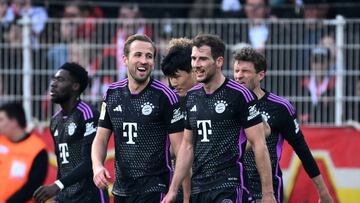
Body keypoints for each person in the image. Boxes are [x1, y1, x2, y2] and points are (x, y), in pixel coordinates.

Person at [162, 34, 276, 203]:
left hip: (228, 186)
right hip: (199, 187)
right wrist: (173, 190)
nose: (196, 65)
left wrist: (268, 194)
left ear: (219, 61)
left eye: (202, 59)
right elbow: (187, 146)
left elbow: (260, 143)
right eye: (194, 59)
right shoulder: (192, 97)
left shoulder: (239, 94)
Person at [232, 47, 334, 203]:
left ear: (260, 75)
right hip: (231, 188)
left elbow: (302, 149)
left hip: (265, 192)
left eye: (245, 71)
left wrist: (323, 191)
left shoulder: (279, 107)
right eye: (236, 70)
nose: (239, 76)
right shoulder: (227, 105)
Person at [91, 34, 184, 202]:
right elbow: (101, 139)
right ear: (125, 59)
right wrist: (97, 166)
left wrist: (175, 190)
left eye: (149, 56)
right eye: (138, 55)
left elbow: (181, 149)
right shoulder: (112, 93)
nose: (144, 60)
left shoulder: (165, 96)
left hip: (155, 189)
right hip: (121, 190)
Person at [33, 62, 109, 203]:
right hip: (66, 196)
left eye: (60, 80)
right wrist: (59, 190)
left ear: (75, 86)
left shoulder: (88, 114)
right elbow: (63, 166)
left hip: (90, 196)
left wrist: (57, 185)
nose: (53, 84)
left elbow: (90, 162)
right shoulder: (55, 121)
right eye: (54, 79)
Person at [161, 37, 195, 203]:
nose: (172, 83)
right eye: (169, 76)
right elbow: (180, 148)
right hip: (179, 180)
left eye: (176, 75)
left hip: (216, 181)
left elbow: (262, 129)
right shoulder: (172, 101)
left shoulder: (221, 95)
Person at [0, 103, 48, 203]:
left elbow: (33, 186)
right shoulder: (1, 141)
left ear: (14, 122)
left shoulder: (37, 149)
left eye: (1, 120)